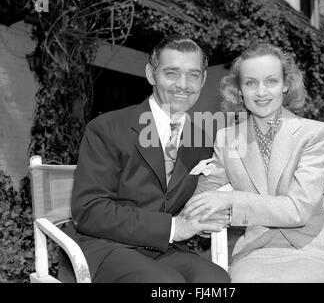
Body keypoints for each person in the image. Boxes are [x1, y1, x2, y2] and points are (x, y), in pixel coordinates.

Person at [61, 36, 231, 283]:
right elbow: (89, 211)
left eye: (193, 75)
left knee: (216, 281)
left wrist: (204, 218)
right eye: (171, 73)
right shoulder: (107, 128)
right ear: (152, 74)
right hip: (105, 246)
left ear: (203, 80)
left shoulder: (201, 140)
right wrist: (173, 227)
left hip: (163, 249)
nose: (183, 85)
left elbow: (182, 202)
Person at [183, 43, 324, 283]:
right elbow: (206, 195)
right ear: (239, 90)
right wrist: (203, 216)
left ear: (285, 85)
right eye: (250, 83)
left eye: (271, 81)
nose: (261, 92)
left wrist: (229, 200)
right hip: (256, 251)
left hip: (312, 249)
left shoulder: (316, 134)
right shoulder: (227, 138)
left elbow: (297, 211)